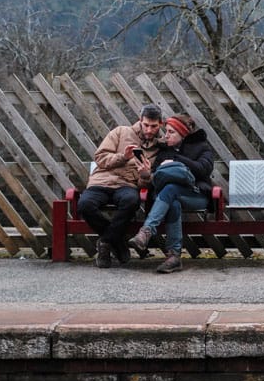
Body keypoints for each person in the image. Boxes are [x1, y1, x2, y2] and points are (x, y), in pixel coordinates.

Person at [78, 103, 163, 268]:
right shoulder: (121, 132)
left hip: (127, 184)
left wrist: (145, 175)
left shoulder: (159, 147)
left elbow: (144, 183)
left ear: (161, 124)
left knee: (132, 201)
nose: (149, 130)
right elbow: (100, 158)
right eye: (146, 125)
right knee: (85, 205)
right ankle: (117, 242)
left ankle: (105, 243)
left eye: (154, 126)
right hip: (101, 181)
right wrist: (122, 157)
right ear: (140, 120)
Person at [128, 113, 214, 273]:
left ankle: (146, 232)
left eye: (171, 132)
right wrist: (146, 174)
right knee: (172, 197)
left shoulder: (202, 147)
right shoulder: (163, 152)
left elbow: (204, 170)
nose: (166, 135)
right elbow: (155, 178)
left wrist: (176, 160)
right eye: (166, 131)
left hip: (196, 195)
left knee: (171, 190)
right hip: (169, 197)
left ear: (183, 133)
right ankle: (174, 257)